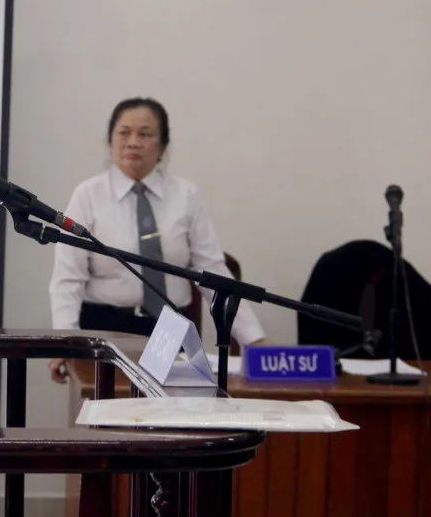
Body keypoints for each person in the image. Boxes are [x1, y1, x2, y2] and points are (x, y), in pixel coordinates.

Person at [48, 97, 267, 382]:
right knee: (110, 406)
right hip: (105, 329)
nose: (133, 142)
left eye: (145, 134)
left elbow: (214, 271)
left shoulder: (185, 195)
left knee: (173, 407)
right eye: (124, 132)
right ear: (111, 140)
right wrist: (64, 341)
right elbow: (67, 279)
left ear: (162, 146)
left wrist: (254, 340)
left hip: (170, 331)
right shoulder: (88, 195)